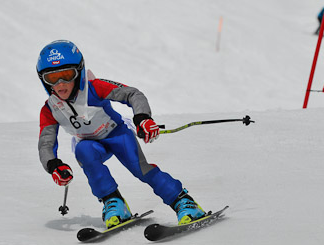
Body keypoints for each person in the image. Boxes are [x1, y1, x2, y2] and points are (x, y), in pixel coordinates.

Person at [36, 40, 206, 228]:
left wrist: (143, 118)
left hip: (117, 135)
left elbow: (132, 94)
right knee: (83, 150)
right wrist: (54, 165)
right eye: (52, 78)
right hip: (92, 144)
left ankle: (183, 202)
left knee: (140, 170)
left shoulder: (93, 88)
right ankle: (113, 203)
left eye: (67, 75)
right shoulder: (50, 109)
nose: (60, 84)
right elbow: (46, 143)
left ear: (79, 72)